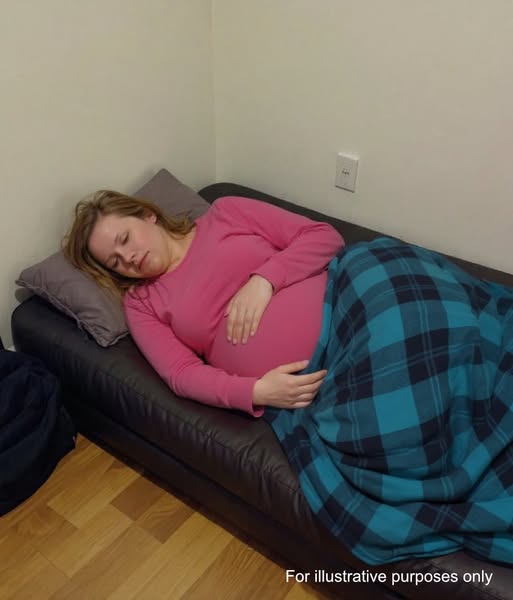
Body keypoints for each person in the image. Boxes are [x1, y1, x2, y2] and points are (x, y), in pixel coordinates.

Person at [64, 190, 345, 415]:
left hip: (345, 316)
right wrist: (256, 392)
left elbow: (324, 237)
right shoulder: (141, 303)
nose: (128, 258)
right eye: (115, 262)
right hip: (307, 383)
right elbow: (181, 373)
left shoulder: (226, 213)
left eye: (125, 239)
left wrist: (265, 280)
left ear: (147, 215)